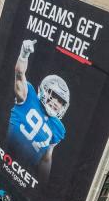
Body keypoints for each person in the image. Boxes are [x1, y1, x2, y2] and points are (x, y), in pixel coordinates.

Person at [7, 39, 69, 180]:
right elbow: (19, 74)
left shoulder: (58, 128)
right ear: (44, 90)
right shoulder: (28, 96)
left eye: (61, 101)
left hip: (27, 171)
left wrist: (42, 183)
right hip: (5, 152)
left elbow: (47, 158)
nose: (56, 103)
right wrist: (23, 55)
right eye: (54, 96)